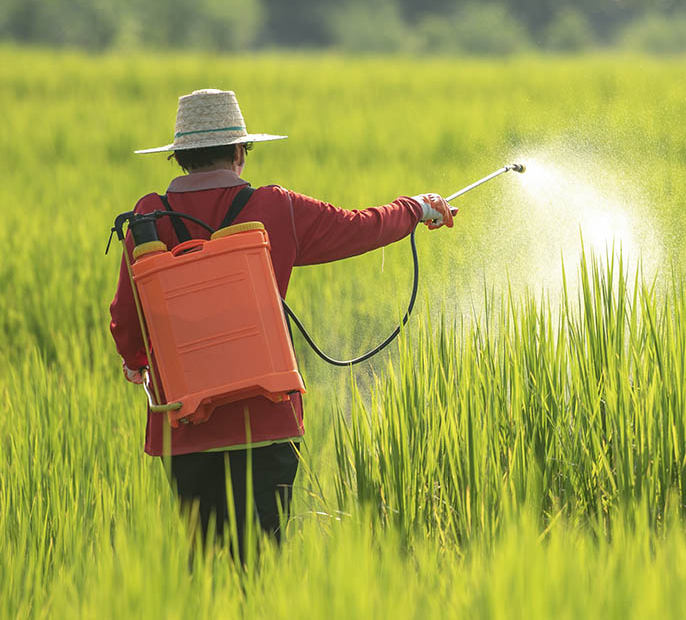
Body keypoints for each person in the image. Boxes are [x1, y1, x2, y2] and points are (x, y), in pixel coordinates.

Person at [109, 88, 455, 558]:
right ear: (239, 152)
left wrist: (135, 362)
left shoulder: (147, 220)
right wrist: (417, 207)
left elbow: (126, 319)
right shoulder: (275, 208)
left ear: (179, 157)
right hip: (266, 419)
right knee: (261, 561)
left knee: (205, 564)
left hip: (185, 425)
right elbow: (362, 226)